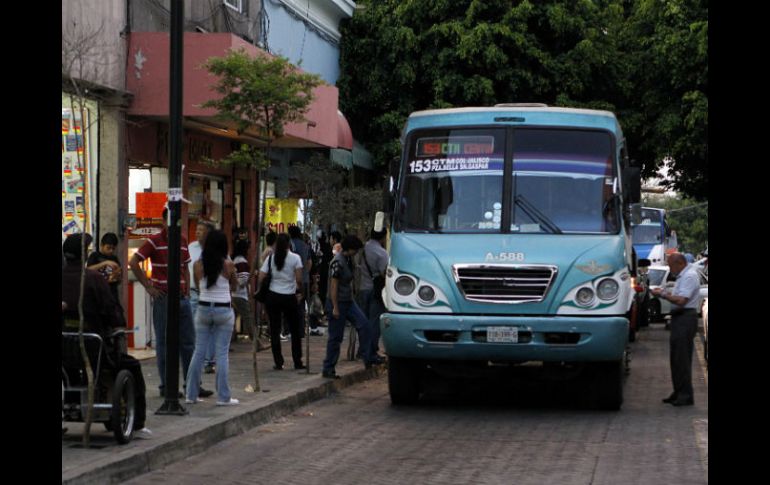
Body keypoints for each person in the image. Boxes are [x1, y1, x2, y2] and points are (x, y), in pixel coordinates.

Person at [62, 233, 151, 438]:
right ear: (84, 255)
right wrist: (117, 324)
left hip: (65, 349)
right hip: (96, 349)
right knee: (131, 366)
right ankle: (136, 421)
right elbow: (113, 314)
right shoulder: (94, 280)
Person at [129, 208, 213, 399]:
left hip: (182, 299)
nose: (176, 223)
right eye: (172, 219)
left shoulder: (182, 241)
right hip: (163, 299)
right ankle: (166, 387)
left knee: (188, 343)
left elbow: (186, 267)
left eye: (179, 219)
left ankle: (192, 385)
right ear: (163, 220)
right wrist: (149, 287)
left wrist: (186, 287)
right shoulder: (154, 241)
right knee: (164, 344)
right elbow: (134, 262)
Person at [185, 230, 240, 405]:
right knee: (222, 354)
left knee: (198, 352)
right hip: (223, 310)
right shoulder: (228, 265)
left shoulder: (198, 265)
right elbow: (235, 286)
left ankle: (191, 395)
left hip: (203, 308)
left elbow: (199, 287)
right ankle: (223, 397)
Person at [322, 235, 383, 379]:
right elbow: (334, 285)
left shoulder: (349, 260)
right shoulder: (337, 262)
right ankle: (328, 367)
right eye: (355, 250)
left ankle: (368, 356)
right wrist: (335, 306)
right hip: (338, 301)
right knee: (335, 336)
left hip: (348, 301)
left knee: (365, 325)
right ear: (350, 249)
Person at [650, 252, 701, 407]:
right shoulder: (682, 276)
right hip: (680, 318)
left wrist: (663, 294)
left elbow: (681, 300)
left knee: (682, 359)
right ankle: (678, 391)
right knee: (676, 358)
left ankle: (685, 395)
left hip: (686, 317)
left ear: (680, 263)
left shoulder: (689, 276)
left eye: (671, 266)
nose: (671, 269)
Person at [257, 233, 306, 370]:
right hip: (289, 297)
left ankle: (278, 362)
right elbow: (299, 280)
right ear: (289, 243)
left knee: (274, 330)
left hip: (273, 297)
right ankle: (297, 361)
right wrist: (300, 291)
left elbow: (261, 277)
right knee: (295, 330)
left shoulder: (271, 258)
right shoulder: (295, 258)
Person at [187, 221, 217, 374]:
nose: (197, 232)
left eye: (201, 230)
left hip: (210, 292)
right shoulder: (190, 247)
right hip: (192, 292)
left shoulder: (216, 249)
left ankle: (208, 360)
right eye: (197, 229)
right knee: (193, 326)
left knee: (209, 327)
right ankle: (197, 358)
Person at [360, 228, 388, 360]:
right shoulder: (382, 253)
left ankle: (362, 349)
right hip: (376, 290)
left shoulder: (362, 249)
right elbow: (385, 273)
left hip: (362, 288)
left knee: (363, 321)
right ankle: (371, 352)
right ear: (383, 237)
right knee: (375, 322)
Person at [86, 232, 123, 313]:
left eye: (113, 248)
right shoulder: (94, 256)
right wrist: (104, 263)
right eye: (108, 248)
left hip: (111, 294)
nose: (111, 251)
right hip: (97, 295)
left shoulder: (115, 258)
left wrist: (117, 276)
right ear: (102, 245)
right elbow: (88, 270)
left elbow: (119, 279)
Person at [288, 226, 312, 339]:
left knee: (290, 306)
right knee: (301, 306)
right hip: (305, 279)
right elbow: (309, 262)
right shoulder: (305, 246)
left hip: (293, 280)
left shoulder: (290, 244)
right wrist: (305, 272)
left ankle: (290, 330)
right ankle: (301, 331)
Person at [231, 239, 255, 342]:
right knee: (247, 317)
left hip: (233, 294)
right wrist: (252, 273)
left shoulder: (235, 260)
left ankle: (232, 338)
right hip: (240, 295)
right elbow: (242, 281)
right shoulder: (242, 262)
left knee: (233, 317)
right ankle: (255, 340)